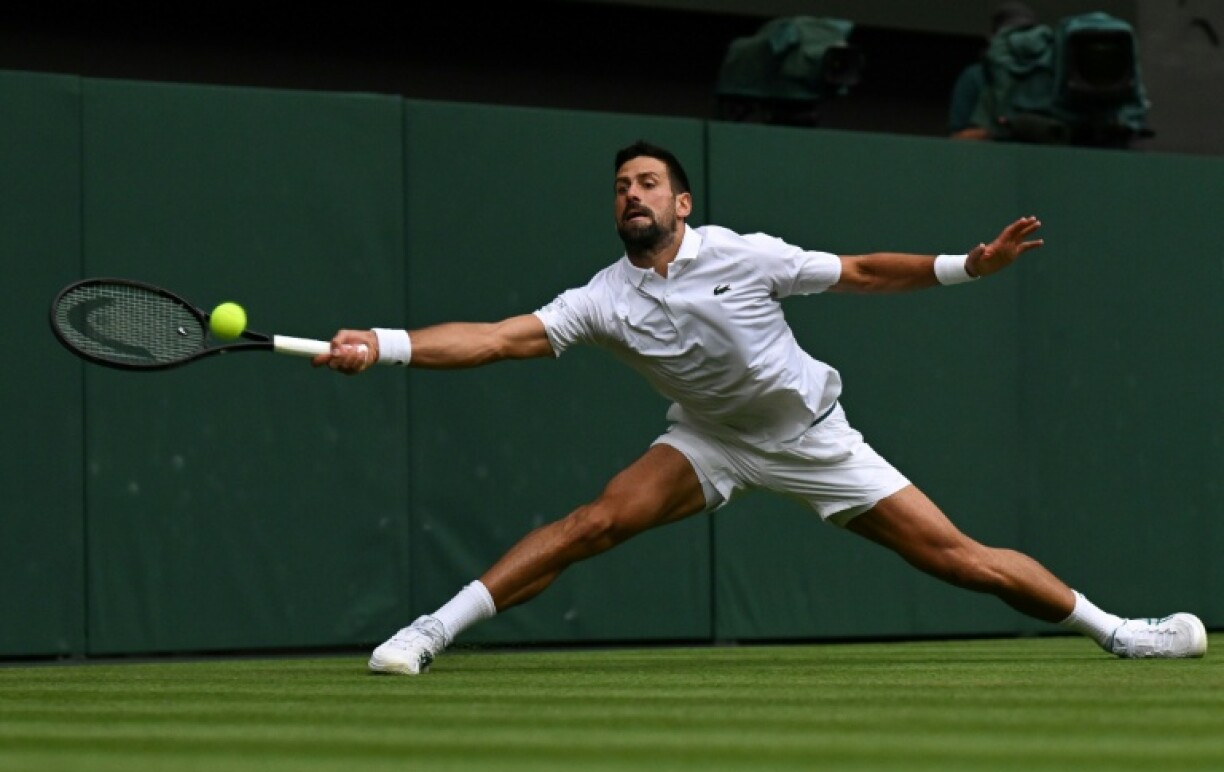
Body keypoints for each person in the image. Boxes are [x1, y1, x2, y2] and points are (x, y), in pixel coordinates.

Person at [314, 140, 1207, 674]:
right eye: (621, 186)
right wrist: (383, 344)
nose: (632, 194)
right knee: (593, 524)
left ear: (681, 202)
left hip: (814, 439)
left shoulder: (744, 255)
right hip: (710, 441)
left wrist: (967, 268)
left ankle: (1121, 633)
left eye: (648, 183)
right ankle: (428, 633)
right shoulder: (601, 298)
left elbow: (861, 272)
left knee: (959, 559)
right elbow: (496, 338)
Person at [948, 1, 1039, 139]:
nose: (1017, 41)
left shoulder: (1046, 77)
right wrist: (997, 131)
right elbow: (957, 137)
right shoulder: (975, 76)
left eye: (1025, 34)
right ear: (994, 38)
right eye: (1010, 35)